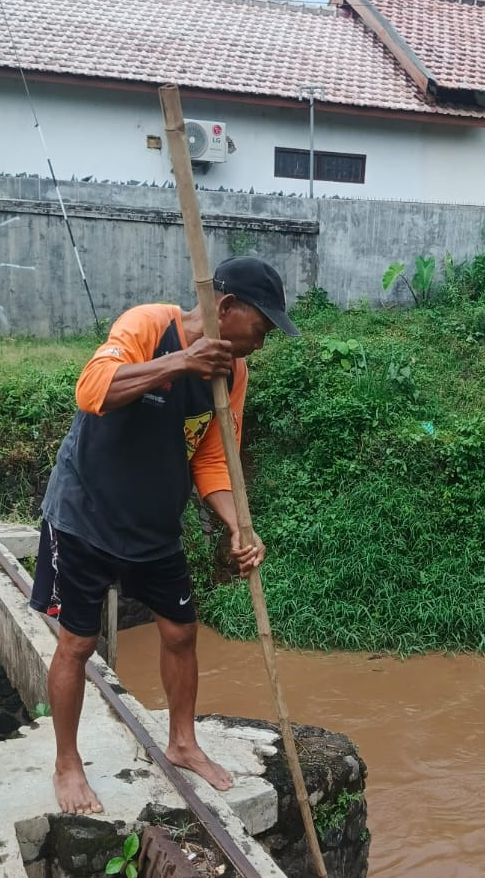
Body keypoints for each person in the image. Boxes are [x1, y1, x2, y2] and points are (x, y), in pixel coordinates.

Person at [30, 256, 300, 814]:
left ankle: (182, 742)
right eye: (261, 327)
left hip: (153, 524)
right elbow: (91, 389)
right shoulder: (149, 325)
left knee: (181, 631)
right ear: (227, 307)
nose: (261, 342)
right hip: (85, 515)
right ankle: (67, 763)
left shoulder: (233, 375)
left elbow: (212, 461)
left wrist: (238, 525)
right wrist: (180, 362)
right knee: (78, 643)